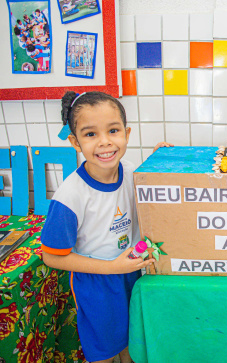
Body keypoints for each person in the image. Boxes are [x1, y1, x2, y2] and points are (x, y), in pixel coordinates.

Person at [41, 91, 172, 363]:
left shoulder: (131, 169)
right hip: (97, 283)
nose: (104, 142)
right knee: (104, 353)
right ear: (75, 142)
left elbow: (150, 197)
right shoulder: (70, 196)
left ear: (127, 133)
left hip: (133, 273)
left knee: (132, 346)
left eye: (113, 130)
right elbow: (51, 255)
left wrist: (159, 164)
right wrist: (112, 268)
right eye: (90, 135)